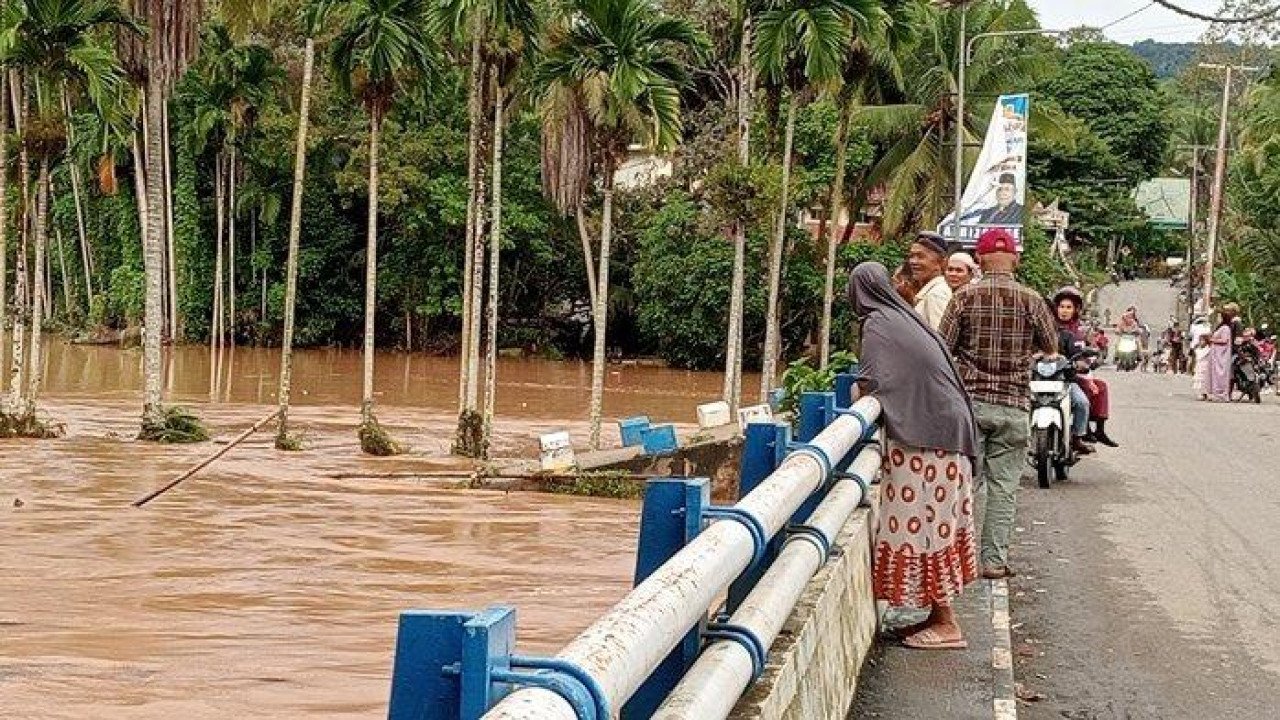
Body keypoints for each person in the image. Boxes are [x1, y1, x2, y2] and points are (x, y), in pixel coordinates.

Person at [848, 262, 979, 650]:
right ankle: (935, 616)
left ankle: (947, 623)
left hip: (929, 438)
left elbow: (869, 383)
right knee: (933, 525)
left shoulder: (876, 324)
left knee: (924, 526)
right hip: (946, 431)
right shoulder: (903, 316)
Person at [940, 229, 1058, 580]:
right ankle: (993, 561)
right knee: (1004, 487)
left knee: (965, 487)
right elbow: (1052, 347)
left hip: (971, 403)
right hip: (1014, 405)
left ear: (978, 259)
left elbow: (942, 349)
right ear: (1016, 260)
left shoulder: (964, 297)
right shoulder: (1032, 300)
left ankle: (956, 562)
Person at [1051, 288, 1098, 455]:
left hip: (1066, 379)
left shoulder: (1078, 332)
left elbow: (1082, 355)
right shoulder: (1045, 326)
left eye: (1068, 307)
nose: (1064, 311)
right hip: (1042, 378)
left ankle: (1077, 438)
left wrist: (1082, 364)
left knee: (1082, 403)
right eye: (1061, 306)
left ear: (1076, 309)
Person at [909, 231, 953, 330]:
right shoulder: (930, 291)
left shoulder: (937, 294)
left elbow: (940, 337)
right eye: (911, 256)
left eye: (920, 257)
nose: (913, 261)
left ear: (941, 262)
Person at [1207, 305, 1238, 402]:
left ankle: (1221, 394)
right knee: (1216, 374)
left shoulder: (1225, 328)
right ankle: (1217, 393)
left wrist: (1212, 340)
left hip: (1222, 356)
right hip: (1217, 355)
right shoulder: (1223, 327)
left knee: (1220, 375)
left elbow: (1224, 340)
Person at [1192, 333, 1211, 400]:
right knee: (1199, 380)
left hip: (1206, 366)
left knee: (1205, 380)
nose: (1201, 342)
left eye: (1203, 340)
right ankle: (1200, 393)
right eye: (1200, 340)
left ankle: (1206, 393)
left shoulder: (1208, 349)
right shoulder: (1198, 349)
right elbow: (1196, 358)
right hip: (1199, 365)